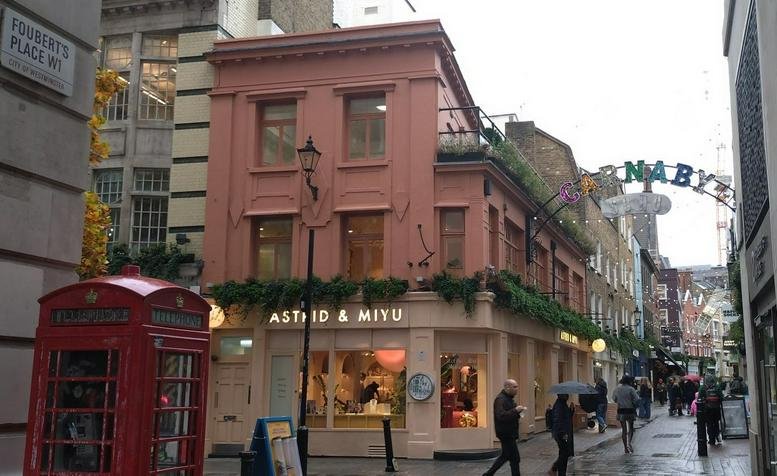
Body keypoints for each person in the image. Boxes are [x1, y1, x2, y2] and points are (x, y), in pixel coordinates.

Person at [483, 379, 525, 476]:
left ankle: (488, 474)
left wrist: (519, 412)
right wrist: (515, 410)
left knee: (507, 456)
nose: (517, 389)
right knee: (514, 458)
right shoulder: (500, 399)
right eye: (514, 387)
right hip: (505, 433)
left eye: (517, 386)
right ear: (507, 387)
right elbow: (501, 416)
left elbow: (510, 415)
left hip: (509, 433)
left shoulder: (509, 398)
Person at [612, 375, 639, 454]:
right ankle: (629, 443)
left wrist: (620, 401)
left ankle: (625, 448)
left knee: (624, 430)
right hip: (630, 410)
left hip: (621, 411)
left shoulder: (617, 389)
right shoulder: (631, 389)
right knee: (631, 428)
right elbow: (636, 399)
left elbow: (614, 399)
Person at [550, 394, 574, 476]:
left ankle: (561, 473)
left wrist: (571, 410)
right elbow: (558, 420)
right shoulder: (559, 405)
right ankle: (554, 468)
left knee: (564, 453)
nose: (567, 396)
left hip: (562, 432)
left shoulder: (563, 404)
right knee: (565, 453)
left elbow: (567, 418)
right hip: (560, 433)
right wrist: (563, 433)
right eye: (566, 395)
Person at [700, 375, 724, 445]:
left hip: (707, 409)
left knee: (709, 424)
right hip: (716, 409)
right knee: (716, 423)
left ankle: (711, 439)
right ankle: (717, 435)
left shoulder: (703, 388)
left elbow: (699, 398)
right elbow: (721, 397)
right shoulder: (717, 387)